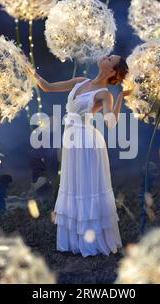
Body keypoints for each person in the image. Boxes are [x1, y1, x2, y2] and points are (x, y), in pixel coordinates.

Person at [30, 55, 130, 257]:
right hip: (71, 140)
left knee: (85, 185)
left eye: (111, 59)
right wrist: (28, 70)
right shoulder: (80, 81)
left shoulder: (104, 94)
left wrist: (120, 97)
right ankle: (75, 238)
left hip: (86, 141)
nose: (106, 56)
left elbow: (111, 123)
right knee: (73, 184)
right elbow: (47, 87)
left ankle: (90, 239)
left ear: (112, 71)